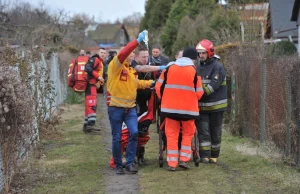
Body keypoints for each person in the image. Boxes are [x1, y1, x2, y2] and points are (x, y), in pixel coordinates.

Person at [106, 30, 154, 175]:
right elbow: (123, 52)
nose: (132, 57)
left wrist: (152, 82)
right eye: (131, 55)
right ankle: (118, 164)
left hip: (130, 109)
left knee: (134, 133)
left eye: (133, 56)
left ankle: (130, 163)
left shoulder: (131, 70)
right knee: (117, 137)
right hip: (116, 108)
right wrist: (137, 41)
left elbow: (136, 84)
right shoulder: (115, 66)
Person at [155, 47, 204, 171]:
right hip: (189, 110)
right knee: (188, 134)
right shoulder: (194, 71)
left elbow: (158, 87)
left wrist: (163, 100)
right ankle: (184, 160)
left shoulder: (169, 69)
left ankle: (172, 164)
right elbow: (199, 92)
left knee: (171, 134)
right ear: (193, 59)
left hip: (170, 109)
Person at [195, 39, 227, 164]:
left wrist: (196, 95)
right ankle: (204, 156)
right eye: (199, 53)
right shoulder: (198, 67)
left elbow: (212, 86)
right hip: (202, 107)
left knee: (215, 132)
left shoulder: (217, 67)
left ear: (209, 52)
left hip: (216, 107)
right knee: (203, 133)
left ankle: (214, 156)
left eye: (203, 53)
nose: (201, 55)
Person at [83, 49, 104, 133]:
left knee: (89, 105)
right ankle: (90, 125)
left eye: (104, 53)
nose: (103, 54)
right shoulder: (95, 59)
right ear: (98, 53)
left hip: (92, 85)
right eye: (101, 52)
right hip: (91, 85)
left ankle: (86, 126)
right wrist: (98, 76)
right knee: (92, 104)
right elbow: (87, 68)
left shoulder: (100, 61)